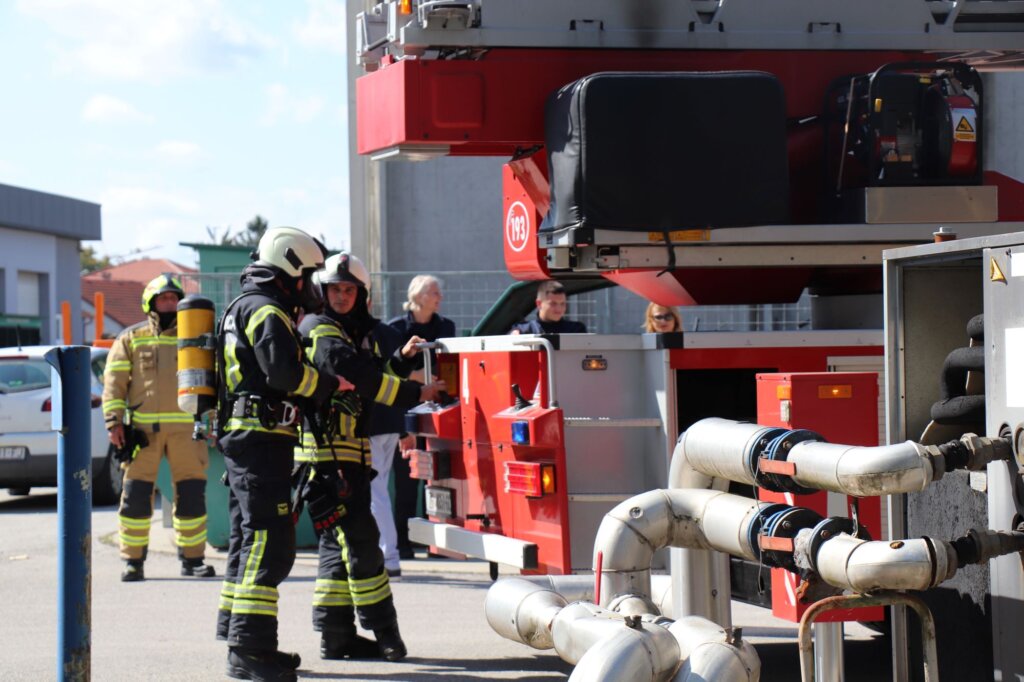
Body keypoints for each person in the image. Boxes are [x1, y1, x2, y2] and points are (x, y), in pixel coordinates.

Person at [213, 226, 349, 682]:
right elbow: (285, 375)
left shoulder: (244, 306)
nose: (310, 285)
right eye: (307, 274)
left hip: (248, 440)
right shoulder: (266, 310)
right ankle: (249, 651)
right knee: (269, 543)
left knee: (247, 540)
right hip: (260, 441)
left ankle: (248, 643)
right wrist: (326, 384)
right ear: (288, 267)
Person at [296, 252, 445, 663]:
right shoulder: (319, 328)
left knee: (335, 546)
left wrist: (401, 360)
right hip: (328, 456)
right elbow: (359, 378)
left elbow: (372, 372)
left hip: (347, 453)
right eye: (334, 289)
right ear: (322, 292)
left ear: (360, 295)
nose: (341, 296)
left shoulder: (351, 331)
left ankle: (335, 636)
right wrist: (418, 393)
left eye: (348, 290)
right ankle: (387, 635)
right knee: (363, 545)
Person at [103, 274, 216, 583]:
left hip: (186, 432)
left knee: (192, 497)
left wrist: (212, 420)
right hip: (143, 433)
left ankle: (193, 560)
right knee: (135, 498)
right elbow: (114, 384)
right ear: (150, 303)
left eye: (173, 298)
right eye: (163, 299)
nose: (169, 303)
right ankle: (132, 562)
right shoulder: (131, 338)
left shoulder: (194, 337)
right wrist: (113, 422)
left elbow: (210, 379)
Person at [385, 274, 456, 559]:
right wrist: (416, 377)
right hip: (406, 413)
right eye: (434, 292)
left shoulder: (445, 327)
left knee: (439, 479)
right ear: (418, 296)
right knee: (406, 482)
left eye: (439, 292)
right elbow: (390, 373)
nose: (440, 297)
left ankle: (437, 543)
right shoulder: (395, 328)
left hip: (439, 411)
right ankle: (402, 544)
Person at [510, 280, 588, 334]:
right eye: (553, 304)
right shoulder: (524, 331)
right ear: (539, 304)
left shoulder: (576, 330)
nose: (559, 309)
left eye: (562, 304)